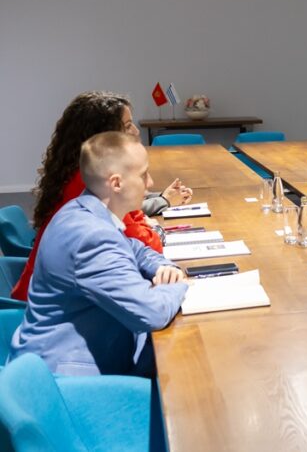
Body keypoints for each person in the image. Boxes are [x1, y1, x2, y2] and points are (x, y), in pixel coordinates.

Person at [9, 132, 188, 376]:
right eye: (143, 174)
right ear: (116, 183)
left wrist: (164, 268)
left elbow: (134, 248)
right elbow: (152, 312)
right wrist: (179, 284)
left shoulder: (83, 210)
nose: (150, 183)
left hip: (77, 353)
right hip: (66, 378)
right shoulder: (92, 236)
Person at [11, 91, 193, 301]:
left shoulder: (80, 172)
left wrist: (149, 224)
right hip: (48, 304)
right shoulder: (90, 183)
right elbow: (147, 245)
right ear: (104, 135)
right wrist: (156, 230)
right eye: (127, 126)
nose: (135, 131)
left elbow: (135, 235)